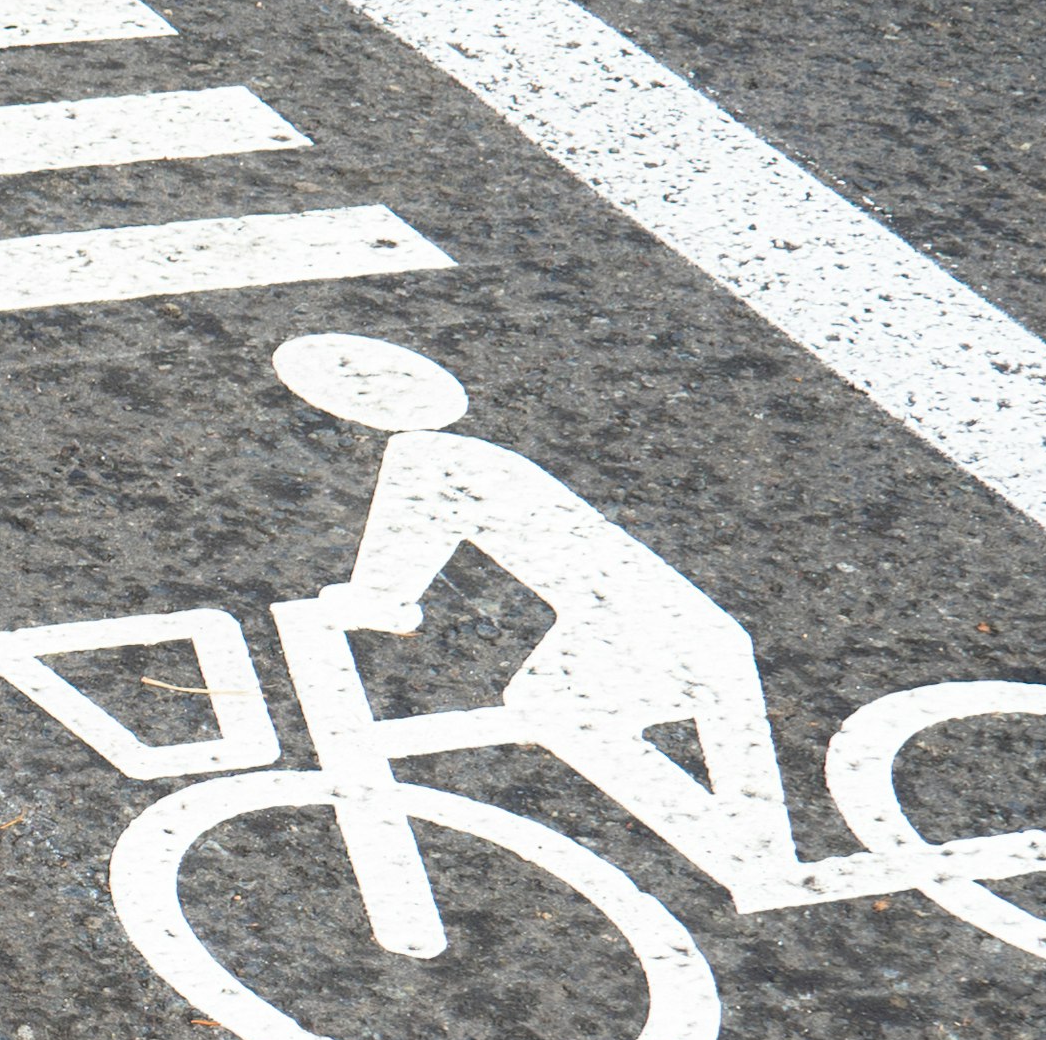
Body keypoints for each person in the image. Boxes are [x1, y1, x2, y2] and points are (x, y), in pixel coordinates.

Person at [266, 333, 804, 922]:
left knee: (555, 704)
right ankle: (759, 865)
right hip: (674, 624)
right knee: (567, 707)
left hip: (650, 628)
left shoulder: (433, 459)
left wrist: (375, 604)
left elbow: (406, 552)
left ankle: (749, 862)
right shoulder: (472, 454)